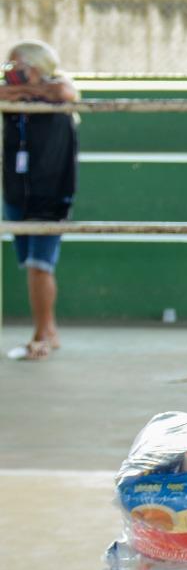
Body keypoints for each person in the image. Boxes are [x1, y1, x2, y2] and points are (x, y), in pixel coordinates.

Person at [1, 40, 80, 361]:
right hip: (18, 190)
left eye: (18, 66)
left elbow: (63, 93)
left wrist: (33, 90)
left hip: (50, 191)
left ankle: (41, 336)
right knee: (30, 263)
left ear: (35, 66)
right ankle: (50, 331)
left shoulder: (59, 87)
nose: (11, 73)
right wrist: (24, 93)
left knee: (39, 265)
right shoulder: (13, 96)